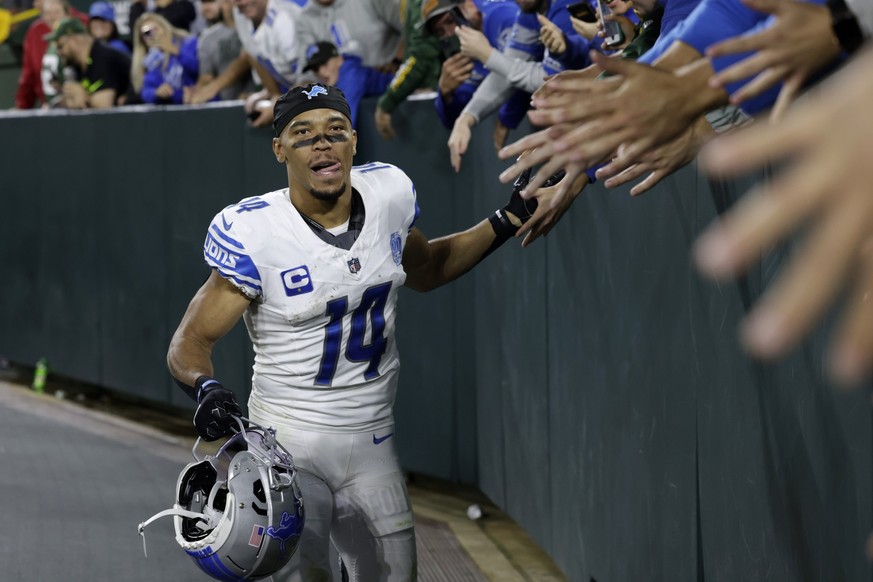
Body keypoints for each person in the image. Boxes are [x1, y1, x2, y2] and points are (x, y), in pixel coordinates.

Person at [166, 82, 537, 581]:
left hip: (373, 444)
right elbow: (190, 340)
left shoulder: (389, 194)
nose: (322, 142)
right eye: (303, 134)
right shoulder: (257, 232)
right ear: (279, 150)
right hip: (287, 445)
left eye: (334, 130)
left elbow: (428, 268)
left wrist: (508, 219)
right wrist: (205, 388)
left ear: (354, 141)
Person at [13, 0, 87, 109]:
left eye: (56, 12)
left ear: (67, 13)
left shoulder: (81, 25)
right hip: (50, 106)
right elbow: (28, 76)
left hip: (79, 104)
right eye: (47, 13)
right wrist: (22, 106)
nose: (52, 17)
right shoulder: (35, 32)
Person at [49, 17, 131, 108]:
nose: (59, 52)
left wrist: (80, 96)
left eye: (60, 46)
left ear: (74, 40)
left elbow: (104, 107)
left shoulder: (102, 57)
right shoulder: (79, 65)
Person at [130, 13, 198, 104]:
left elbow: (199, 70)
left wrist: (174, 50)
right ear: (143, 40)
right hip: (171, 109)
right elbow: (145, 92)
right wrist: (156, 93)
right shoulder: (151, 59)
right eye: (147, 32)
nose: (153, 34)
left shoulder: (188, 42)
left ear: (164, 27)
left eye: (155, 29)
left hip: (196, 102)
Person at [191, 0, 251, 102]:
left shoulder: (253, 26)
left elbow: (248, 57)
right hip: (230, 104)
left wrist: (213, 88)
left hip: (261, 98)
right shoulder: (207, 38)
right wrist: (195, 94)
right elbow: (206, 78)